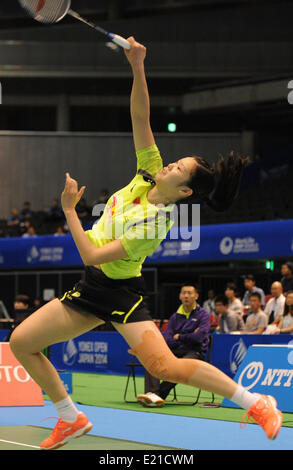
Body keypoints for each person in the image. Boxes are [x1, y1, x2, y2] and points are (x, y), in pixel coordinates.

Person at [9, 37, 282, 450]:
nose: (170, 163)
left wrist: (69, 210)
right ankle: (70, 417)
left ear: (186, 191)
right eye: (174, 160)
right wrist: (137, 65)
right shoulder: (150, 172)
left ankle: (256, 402)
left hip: (118, 290)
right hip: (91, 288)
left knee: (166, 367)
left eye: (179, 168)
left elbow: (92, 254)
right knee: (21, 342)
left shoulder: (155, 225)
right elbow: (141, 117)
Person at [136, 284, 210, 407]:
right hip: (175, 350)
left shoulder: (203, 315)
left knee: (180, 365)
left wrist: (180, 336)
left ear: (196, 296)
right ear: (180, 296)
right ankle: (151, 394)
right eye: (184, 293)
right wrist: (189, 336)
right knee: (152, 359)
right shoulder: (175, 317)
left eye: (189, 293)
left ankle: (158, 396)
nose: (186, 295)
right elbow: (168, 340)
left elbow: (199, 338)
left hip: (194, 352)